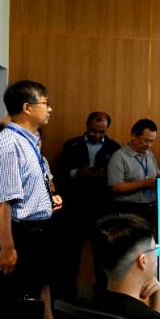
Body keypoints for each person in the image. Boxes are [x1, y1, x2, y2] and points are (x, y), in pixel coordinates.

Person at [0, 80, 64, 319]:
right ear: (27, 107)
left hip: (40, 228)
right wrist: (7, 247)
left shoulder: (30, 140)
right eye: (45, 103)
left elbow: (31, 183)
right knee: (18, 299)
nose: (50, 109)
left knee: (37, 287)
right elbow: (1, 201)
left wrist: (48, 198)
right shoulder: (8, 143)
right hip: (21, 233)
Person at [53, 111, 121, 302]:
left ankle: (103, 294)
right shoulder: (71, 145)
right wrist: (78, 172)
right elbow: (60, 172)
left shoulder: (114, 147)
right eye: (93, 131)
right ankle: (67, 293)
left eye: (101, 132)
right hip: (74, 205)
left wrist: (103, 175)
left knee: (102, 250)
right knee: (70, 251)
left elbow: (116, 176)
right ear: (86, 126)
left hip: (102, 205)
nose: (97, 135)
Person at [108, 118, 160, 226]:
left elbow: (157, 175)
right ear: (134, 136)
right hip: (129, 211)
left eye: (152, 141)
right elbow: (116, 187)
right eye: (146, 140)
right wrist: (144, 183)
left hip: (151, 208)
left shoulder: (149, 154)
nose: (149, 145)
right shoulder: (119, 157)